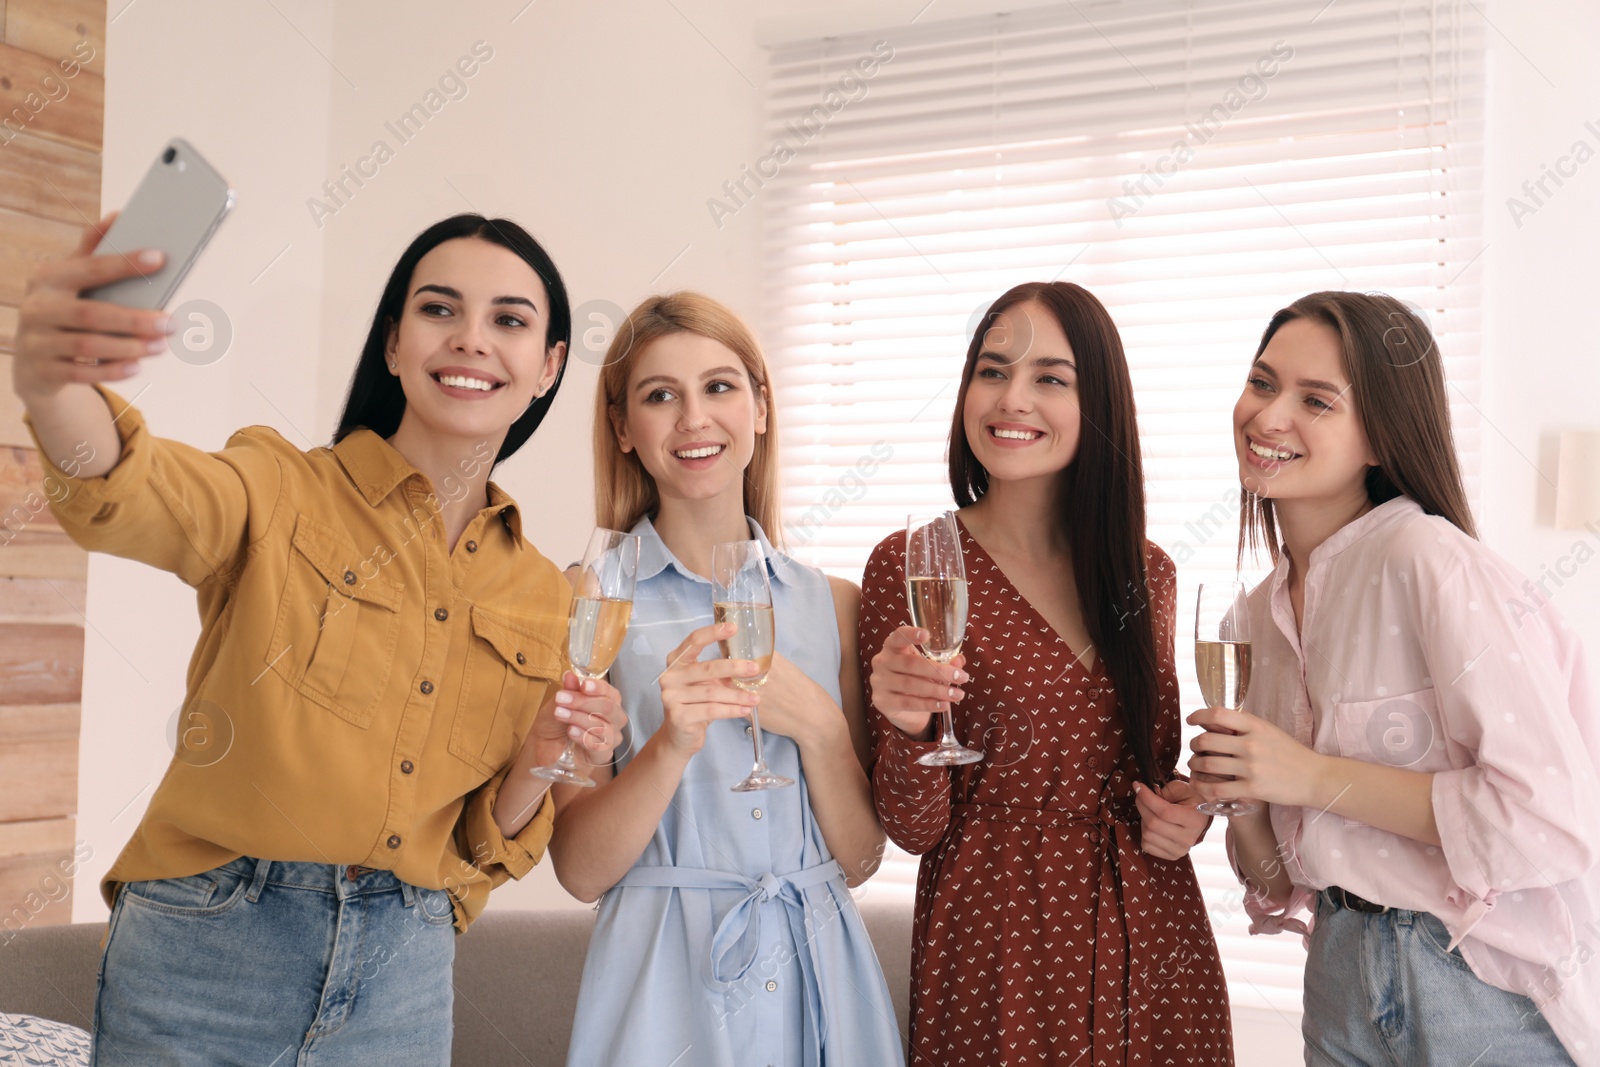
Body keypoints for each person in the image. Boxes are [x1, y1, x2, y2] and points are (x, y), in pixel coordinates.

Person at [11, 213, 624, 1065]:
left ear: (549, 364)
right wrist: (52, 383)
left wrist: (541, 761)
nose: (471, 340)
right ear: (393, 345)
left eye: (510, 320)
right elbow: (137, 488)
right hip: (210, 952)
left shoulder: (543, 594)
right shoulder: (279, 487)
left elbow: (482, 840)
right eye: (439, 310)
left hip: (404, 973)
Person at [1191, 290, 1600, 1066]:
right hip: (1339, 971)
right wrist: (1238, 795)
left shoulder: (1429, 561)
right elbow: (1277, 880)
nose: (1270, 415)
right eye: (1263, 382)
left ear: (1379, 434)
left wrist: (1312, 774)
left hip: (1473, 982)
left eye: (1316, 399)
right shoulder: (1252, 619)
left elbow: (1551, 821)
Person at [862, 281, 1233, 1065]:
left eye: (1051, 378)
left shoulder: (1147, 572)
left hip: (1155, 936)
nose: (1012, 398)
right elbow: (912, 826)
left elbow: (1156, 771)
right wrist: (904, 727)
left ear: (1097, 401)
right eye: (992, 371)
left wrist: (1191, 811)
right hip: (996, 940)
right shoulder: (912, 563)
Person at [552, 292, 905, 1067]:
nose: (693, 419)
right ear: (623, 428)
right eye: (659, 395)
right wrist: (670, 746)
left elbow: (861, 860)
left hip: (823, 971)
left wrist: (818, 724)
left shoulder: (834, 604)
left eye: (719, 386)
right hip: (660, 984)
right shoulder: (588, 598)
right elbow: (579, 870)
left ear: (762, 408)